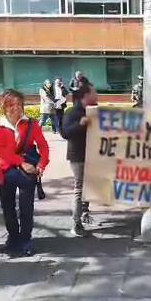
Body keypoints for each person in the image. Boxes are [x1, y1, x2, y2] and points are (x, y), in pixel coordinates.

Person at [0, 89, 50, 256]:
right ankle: (13, 237)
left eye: (18, 104)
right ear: (3, 106)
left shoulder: (31, 123)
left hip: (28, 173)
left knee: (26, 208)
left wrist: (41, 164)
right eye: (11, 105)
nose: (15, 108)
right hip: (6, 171)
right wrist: (21, 163)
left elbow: (43, 146)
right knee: (8, 208)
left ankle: (25, 240)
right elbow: (0, 151)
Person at [61, 82, 98, 237]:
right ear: (85, 96)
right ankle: (76, 224)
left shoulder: (93, 111)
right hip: (78, 157)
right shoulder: (73, 113)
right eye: (93, 92)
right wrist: (79, 125)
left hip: (91, 156)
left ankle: (84, 214)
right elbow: (65, 133)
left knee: (87, 188)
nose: (96, 95)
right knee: (79, 189)